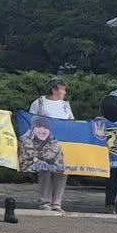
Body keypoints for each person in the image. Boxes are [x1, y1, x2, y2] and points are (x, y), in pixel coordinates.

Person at [27, 80, 75, 213]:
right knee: (45, 171)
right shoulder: (39, 103)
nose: (65, 92)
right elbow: (31, 120)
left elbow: (71, 121)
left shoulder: (65, 105)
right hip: (44, 142)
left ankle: (57, 202)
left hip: (62, 142)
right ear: (54, 90)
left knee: (61, 171)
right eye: (62, 89)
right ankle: (45, 201)